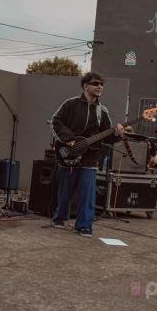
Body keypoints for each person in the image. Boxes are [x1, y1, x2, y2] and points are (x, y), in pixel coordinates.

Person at [51, 72, 124, 237]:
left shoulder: (102, 111)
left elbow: (108, 137)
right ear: (85, 86)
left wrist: (118, 133)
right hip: (68, 153)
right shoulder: (70, 104)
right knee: (65, 191)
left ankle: (84, 226)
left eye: (101, 84)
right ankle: (60, 218)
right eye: (96, 83)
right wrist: (69, 139)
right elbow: (56, 121)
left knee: (88, 192)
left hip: (90, 157)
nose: (100, 87)